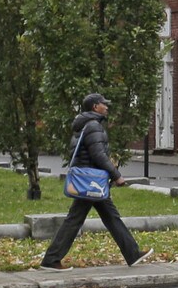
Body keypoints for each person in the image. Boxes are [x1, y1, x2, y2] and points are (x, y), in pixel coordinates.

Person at [40, 93, 154, 269]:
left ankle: (132, 253)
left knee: (108, 217)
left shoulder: (84, 125)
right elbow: (98, 155)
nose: (107, 107)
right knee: (77, 220)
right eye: (104, 104)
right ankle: (51, 259)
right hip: (91, 181)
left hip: (89, 180)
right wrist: (116, 175)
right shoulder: (93, 126)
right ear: (95, 107)